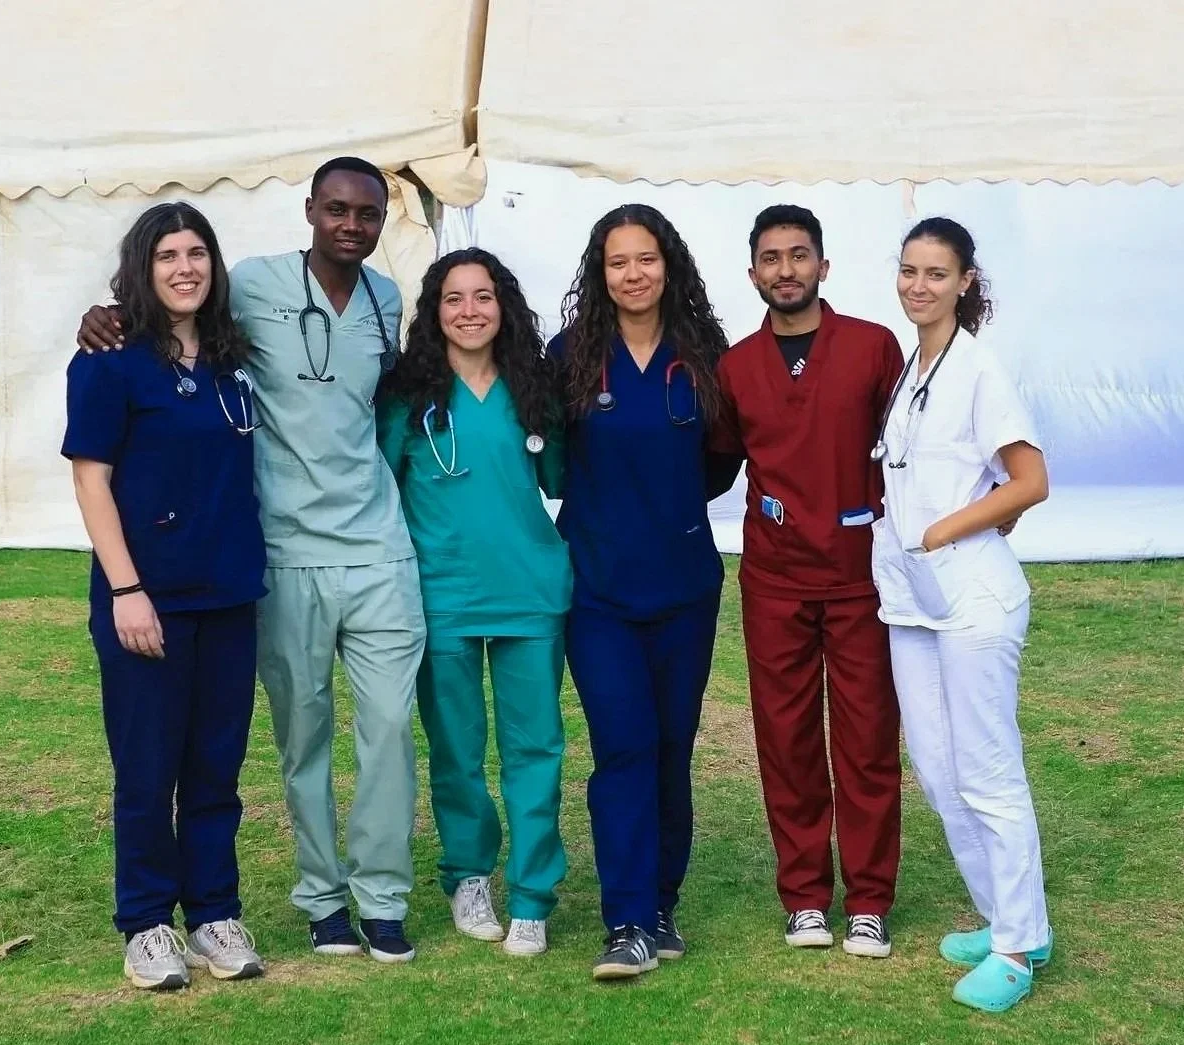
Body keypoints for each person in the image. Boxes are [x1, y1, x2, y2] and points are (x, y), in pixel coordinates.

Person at [77, 157, 426, 964]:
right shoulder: (253, 287)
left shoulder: (383, 300)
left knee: (374, 732)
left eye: (365, 212)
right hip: (275, 557)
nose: (350, 223)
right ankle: (304, 902)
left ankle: (371, 897)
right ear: (308, 210)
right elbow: (168, 311)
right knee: (282, 740)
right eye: (335, 208)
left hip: (354, 553)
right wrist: (103, 314)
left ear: (380, 220)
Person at [61, 201, 268, 989]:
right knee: (148, 766)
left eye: (197, 254)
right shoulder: (108, 361)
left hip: (227, 590)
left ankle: (214, 913)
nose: (185, 268)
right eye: (167, 256)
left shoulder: (229, 358)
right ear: (141, 270)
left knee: (216, 764)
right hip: (146, 595)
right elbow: (91, 479)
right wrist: (126, 588)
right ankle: (147, 923)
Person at [707, 205, 905, 958]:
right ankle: (804, 897)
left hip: (859, 574)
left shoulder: (871, 348)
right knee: (785, 737)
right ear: (752, 272)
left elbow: (909, 446)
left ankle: (869, 899)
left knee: (865, 738)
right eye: (770, 257)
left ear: (824, 265)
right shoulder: (736, 366)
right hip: (776, 576)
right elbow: (717, 460)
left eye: (798, 255)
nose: (784, 269)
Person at [870, 216, 1054, 1012]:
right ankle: (1007, 917)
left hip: (971, 593)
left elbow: (1028, 480)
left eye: (935, 274)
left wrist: (944, 528)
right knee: (937, 768)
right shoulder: (914, 366)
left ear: (965, 282)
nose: (918, 286)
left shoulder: (979, 369)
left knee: (985, 769)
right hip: (912, 598)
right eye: (908, 271)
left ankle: (1015, 950)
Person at [550, 204, 734, 981]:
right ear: (599, 270)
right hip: (598, 592)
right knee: (621, 745)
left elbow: (722, 459)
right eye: (617, 261)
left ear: (670, 265)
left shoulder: (703, 354)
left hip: (685, 586)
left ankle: (662, 905)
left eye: (646, 258)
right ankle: (625, 917)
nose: (633, 274)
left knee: (669, 748)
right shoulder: (569, 354)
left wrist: (671, 514)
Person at [376, 249, 570, 957]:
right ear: (434, 311)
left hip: (529, 589)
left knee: (534, 747)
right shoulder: (407, 396)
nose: (468, 311)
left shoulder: (532, 387)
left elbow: (555, 476)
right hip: (442, 594)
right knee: (456, 750)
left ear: (503, 305)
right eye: (452, 299)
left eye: (482, 297)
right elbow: (383, 491)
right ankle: (467, 876)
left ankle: (530, 895)